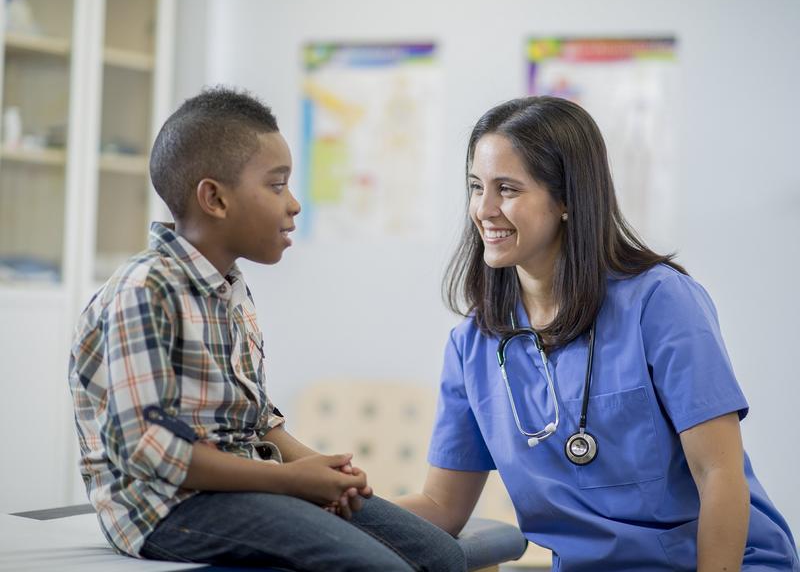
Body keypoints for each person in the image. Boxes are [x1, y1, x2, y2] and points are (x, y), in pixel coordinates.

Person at [68, 87, 466, 572]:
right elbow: (149, 451)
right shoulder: (144, 290)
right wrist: (290, 481)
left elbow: (254, 419)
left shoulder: (229, 288)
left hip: (246, 486)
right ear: (214, 198)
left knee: (442, 558)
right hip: (166, 509)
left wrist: (321, 470)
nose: (294, 204)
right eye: (277, 186)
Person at [396, 96, 798, 571]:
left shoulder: (659, 302)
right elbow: (442, 507)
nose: (483, 209)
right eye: (475, 186)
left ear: (566, 199)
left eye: (506, 189)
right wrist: (339, 508)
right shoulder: (473, 346)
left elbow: (719, 473)